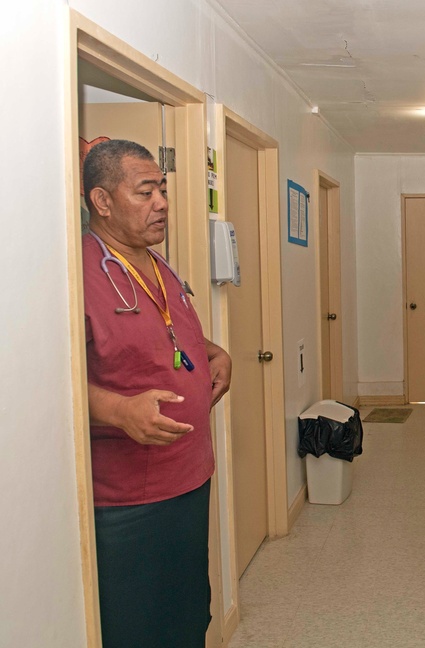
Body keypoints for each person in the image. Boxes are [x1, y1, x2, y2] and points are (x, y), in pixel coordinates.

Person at [82, 139, 232, 647]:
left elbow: (172, 333)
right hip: (127, 500)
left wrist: (215, 353)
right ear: (102, 201)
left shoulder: (158, 263)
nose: (162, 203)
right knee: (138, 629)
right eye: (146, 192)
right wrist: (119, 409)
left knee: (188, 615)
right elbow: (42, 382)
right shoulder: (75, 273)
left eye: (162, 190)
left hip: (188, 477)